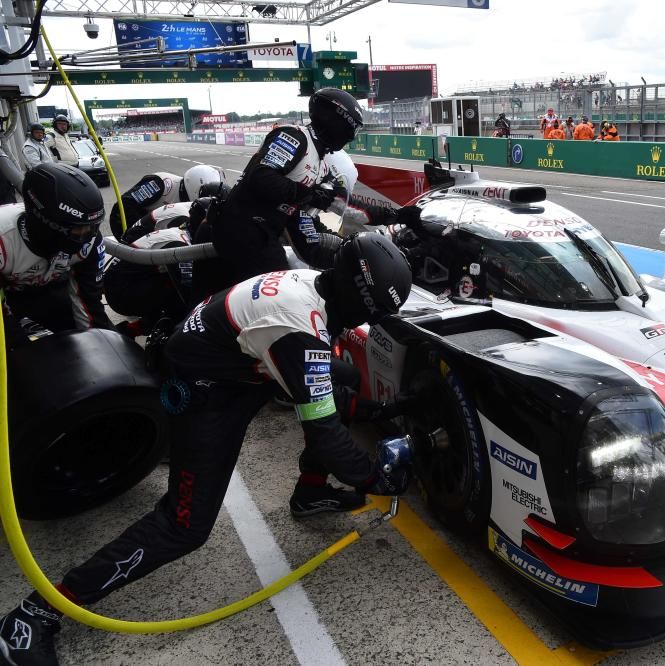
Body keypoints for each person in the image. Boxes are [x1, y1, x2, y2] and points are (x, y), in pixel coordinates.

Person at [0, 233, 415, 665]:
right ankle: (35, 613)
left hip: (229, 359)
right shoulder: (299, 328)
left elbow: (318, 387)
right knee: (184, 526)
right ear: (355, 293)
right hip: (206, 391)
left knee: (340, 376)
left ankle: (310, 494)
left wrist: (383, 409)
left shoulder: (315, 283)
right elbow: (326, 433)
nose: (369, 321)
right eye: (372, 311)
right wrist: (375, 477)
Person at [208, 88, 390, 297]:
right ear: (336, 121)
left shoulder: (321, 163)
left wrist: (394, 216)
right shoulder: (293, 136)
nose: (351, 137)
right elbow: (261, 178)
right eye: (352, 129)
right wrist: (308, 194)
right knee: (276, 295)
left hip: (262, 234)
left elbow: (342, 203)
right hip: (241, 227)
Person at [0, 162, 111, 348]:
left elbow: (89, 303)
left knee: (101, 338)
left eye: (93, 227)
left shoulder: (90, 240)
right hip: (9, 296)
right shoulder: (4, 240)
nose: (87, 235)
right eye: (78, 229)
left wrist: (100, 346)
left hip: (52, 289)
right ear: (44, 222)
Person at [102, 196, 219, 336]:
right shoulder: (180, 247)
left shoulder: (182, 231)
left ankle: (134, 329)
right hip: (121, 291)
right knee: (183, 303)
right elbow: (189, 296)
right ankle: (145, 334)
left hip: (123, 280)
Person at [108, 164, 224, 242]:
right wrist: (135, 237)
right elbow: (125, 204)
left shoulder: (191, 196)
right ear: (195, 188)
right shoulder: (161, 184)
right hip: (129, 224)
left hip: (159, 229)